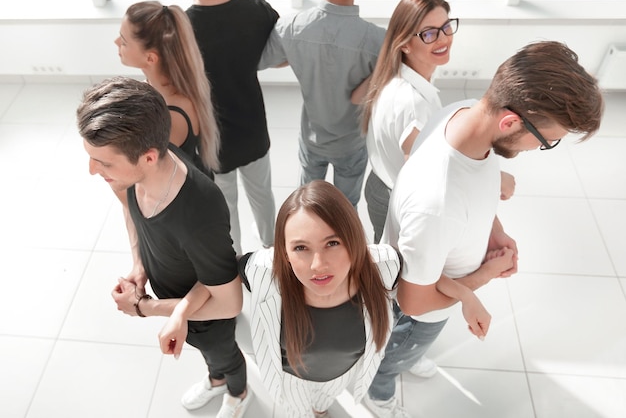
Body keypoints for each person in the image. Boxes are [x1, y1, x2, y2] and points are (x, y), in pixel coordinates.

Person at [364, 41, 605, 417]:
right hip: (423, 305)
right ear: (510, 122)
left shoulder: (464, 114)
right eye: (547, 141)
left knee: (412, 345)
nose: (539, 148)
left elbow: (473, 186)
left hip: (434, 269)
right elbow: (415, 301)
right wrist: (482, 279)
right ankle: (379, 394)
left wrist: (493, 229)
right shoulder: (437, 203)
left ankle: (408, 357)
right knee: (401, 347)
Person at [158, 180, 489, 418]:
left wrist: (465, 295)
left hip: (346, 373)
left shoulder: (382, 264)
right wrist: (181, 312)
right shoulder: (262, 269)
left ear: (354, 240)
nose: (319, 267)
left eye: (333, 243)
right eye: (301, 248)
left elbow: (421, 273)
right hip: (290, 379)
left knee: (323, 402)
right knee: (300, 410)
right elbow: (217, 279)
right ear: (284, 253)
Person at [77, 76, 252, 418]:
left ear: (148, 157)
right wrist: (139, 265)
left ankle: (238, 391)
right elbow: (129, 207)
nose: (91, 170)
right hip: (180, 306)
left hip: (208, 315)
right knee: (210, 358)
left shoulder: (198, 214)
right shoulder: (132, 172)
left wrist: (146, 307)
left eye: (104, 163)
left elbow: (229, 303)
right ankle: (217, 381)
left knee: (225, 354)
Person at [357, 0, 515, 245]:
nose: (443, 40)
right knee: (393, 271)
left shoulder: (396, 73)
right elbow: (427, 176)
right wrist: (494, 179)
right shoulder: (414, 104)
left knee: (384, 259)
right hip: (391, 197)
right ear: (405, 43)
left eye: (446, 27)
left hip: (379, 182)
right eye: (429, 33)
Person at [258, 0, 386, 207]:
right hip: (351, 141)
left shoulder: (292, 26)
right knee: (345, 208)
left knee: (306, 204)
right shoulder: (378, 40)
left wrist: (298, 55)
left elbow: (262, 61)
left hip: (312, 137)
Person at [186, 0, 278, 254]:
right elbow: (281, 53)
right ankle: (271, 248)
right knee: (262, 194)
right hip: (253, 128)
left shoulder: (182, 25)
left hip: (213, 138)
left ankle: (234, 257)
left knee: (225, 202)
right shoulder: (257, 9)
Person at [115, 1, 220, 177]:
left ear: (150, 58)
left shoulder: (174, 116)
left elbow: (151, 174)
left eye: (124, 41)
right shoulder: (152, 85)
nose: (116, 42)